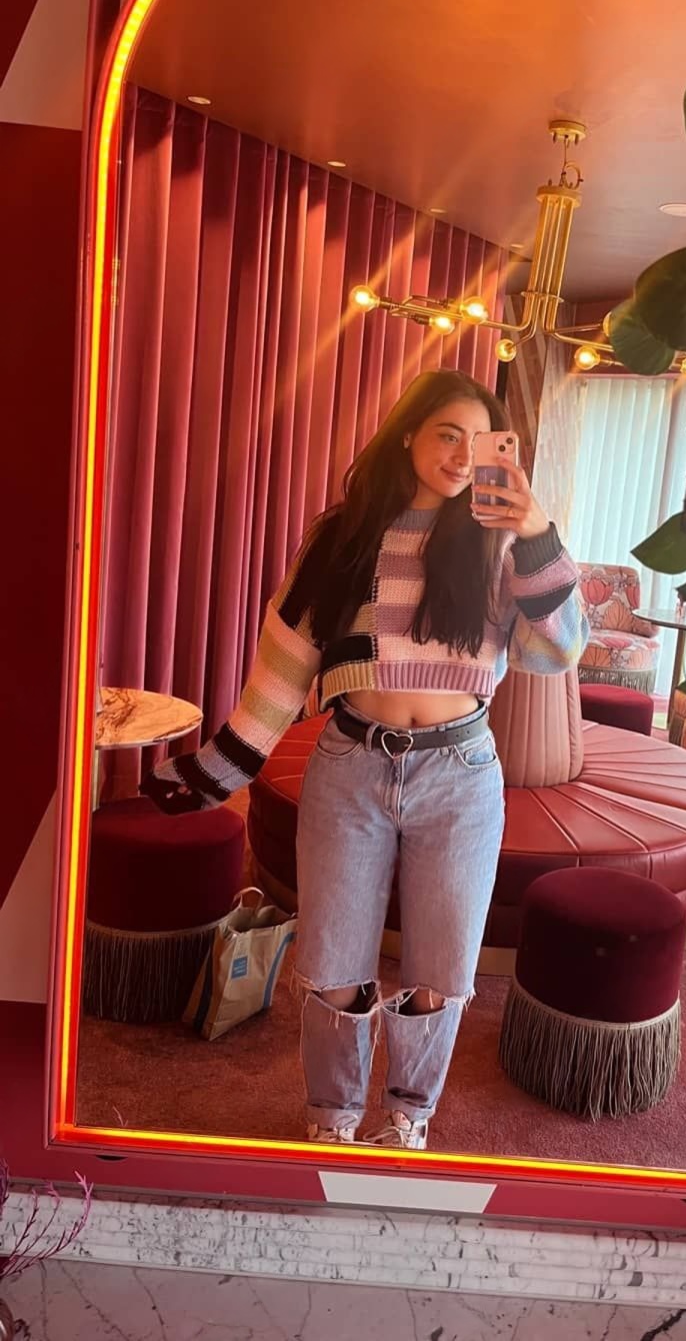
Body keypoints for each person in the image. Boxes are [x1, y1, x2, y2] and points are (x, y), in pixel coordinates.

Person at [141, 368, 588, 1150]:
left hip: (460, 775)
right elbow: (285, 664)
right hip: (351, 763)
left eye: (478, 441)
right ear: (408, 432)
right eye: (445, 433)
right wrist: (222, 767)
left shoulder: (502, 543)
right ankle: (333, 1117)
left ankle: (409, 1114)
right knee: (335, 959)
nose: (461, 455)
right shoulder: (344, 536)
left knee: (441, 969)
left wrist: (539, 530)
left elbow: (557, 651)